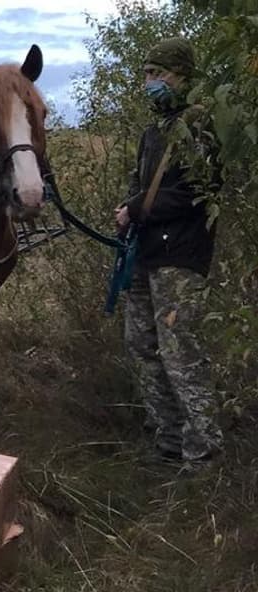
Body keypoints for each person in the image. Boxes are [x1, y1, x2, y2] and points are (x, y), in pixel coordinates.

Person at [115, 37, 223, 464]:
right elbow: (141, 184)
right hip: (146, 253)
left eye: (157, 73)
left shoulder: (200, 126)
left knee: (181, 353)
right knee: (141, 344)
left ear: (182, 75)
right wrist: (128, 208)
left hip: (180, 256)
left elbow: (199, 191)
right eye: (146, 74)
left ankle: (203, 453)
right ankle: (169, 441)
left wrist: (138, 208)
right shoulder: (153, 131)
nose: (149, 82)